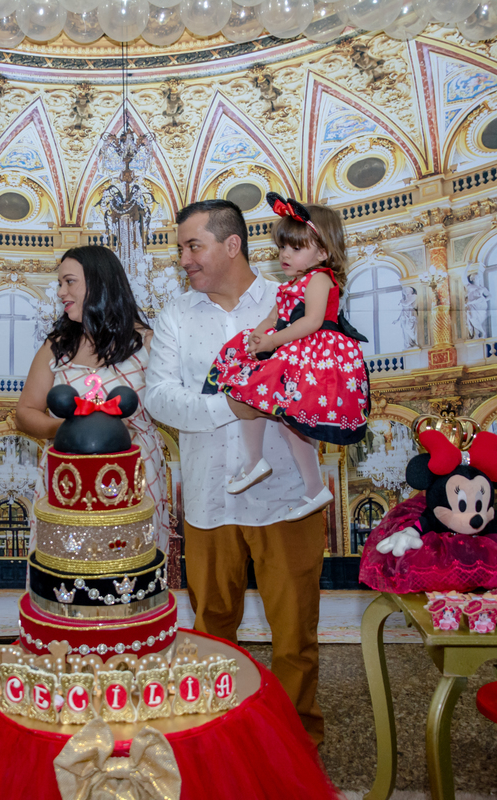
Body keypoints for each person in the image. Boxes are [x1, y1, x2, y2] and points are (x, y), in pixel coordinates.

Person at [144, 199, 329, 743]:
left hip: (288, 497)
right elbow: (159, 398)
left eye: (193, 246)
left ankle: (296, 743)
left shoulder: (290, 301)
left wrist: (278, 399)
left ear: (232, 245)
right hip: (210, 500)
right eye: (181, 248)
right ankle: (216, 740)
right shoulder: (177, 316)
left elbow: (325, 382)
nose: (184, 259)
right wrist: (233, 406)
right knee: (211, 632)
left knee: (295, 637)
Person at [204, 193, 367, 521]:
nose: (285, 255)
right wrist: (258, 334)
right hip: (293, 351)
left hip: (315, 357)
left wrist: (273, 340)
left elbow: (312, 321)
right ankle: (257, 462)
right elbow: (274, 317)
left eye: (296, 248)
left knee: (289, 424)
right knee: (251, 394)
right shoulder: (292, 284)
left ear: (323, 252)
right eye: (282, 247)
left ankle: (312, 486)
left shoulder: (320, 279)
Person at [15, 245, 171, 552]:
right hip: (67, 478)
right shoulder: (55, 347)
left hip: (136, 477)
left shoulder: (149, 344)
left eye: (69, 282)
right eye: (60, 283)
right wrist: (71, 431)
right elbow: (25, 412)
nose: (61, 291)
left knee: (129, 563)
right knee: (68, 565)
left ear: (100, 284)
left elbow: (170, 406)